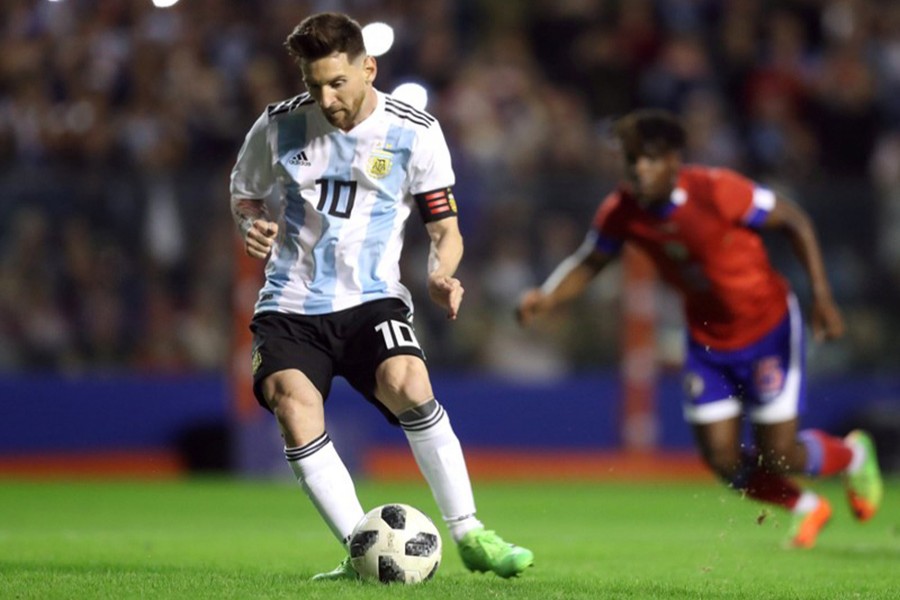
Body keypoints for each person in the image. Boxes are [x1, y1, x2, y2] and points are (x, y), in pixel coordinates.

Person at [228, 13, 534, 580]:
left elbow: (444, 228)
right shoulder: (276, 127)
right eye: (313, 84)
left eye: (337, 82)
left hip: (372, 298)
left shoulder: (415, 131)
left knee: (408, 384)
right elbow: (245, 194)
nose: (326, 97)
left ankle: (471, 533)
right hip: (291, 304)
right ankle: (362, 553)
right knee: (292, 406)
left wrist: (443, 273)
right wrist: (250, 224)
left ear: (368, 68)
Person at [517, 109, 883, 549]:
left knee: (780, 453)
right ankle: (806, 506)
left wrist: (822, 297)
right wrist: (548, 295)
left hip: (767, 328)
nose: (639, 169)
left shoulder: (717, 190)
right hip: (708, 340)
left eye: (650, 159)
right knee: (722, 459)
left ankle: (853, 454)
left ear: (674, 160)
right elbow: (591, 259)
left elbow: (794, 221)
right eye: (632, 160)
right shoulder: (622, 209)